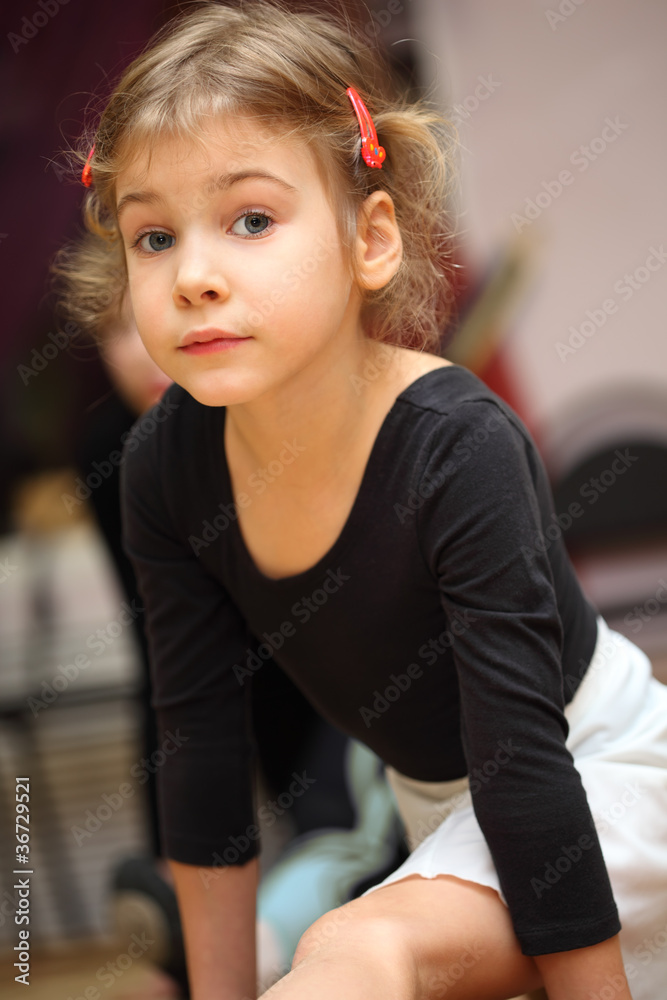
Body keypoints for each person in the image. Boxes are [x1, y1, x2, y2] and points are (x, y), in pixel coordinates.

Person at [63, 2, 667, 998]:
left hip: (601, 780)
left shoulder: (457, 446)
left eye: (250, 219)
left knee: (347, 950)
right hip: (433, 813)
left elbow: (524, 773)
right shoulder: (163, 467)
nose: (195, 276)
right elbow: (200, 750)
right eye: (154, 236)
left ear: (371, 239)